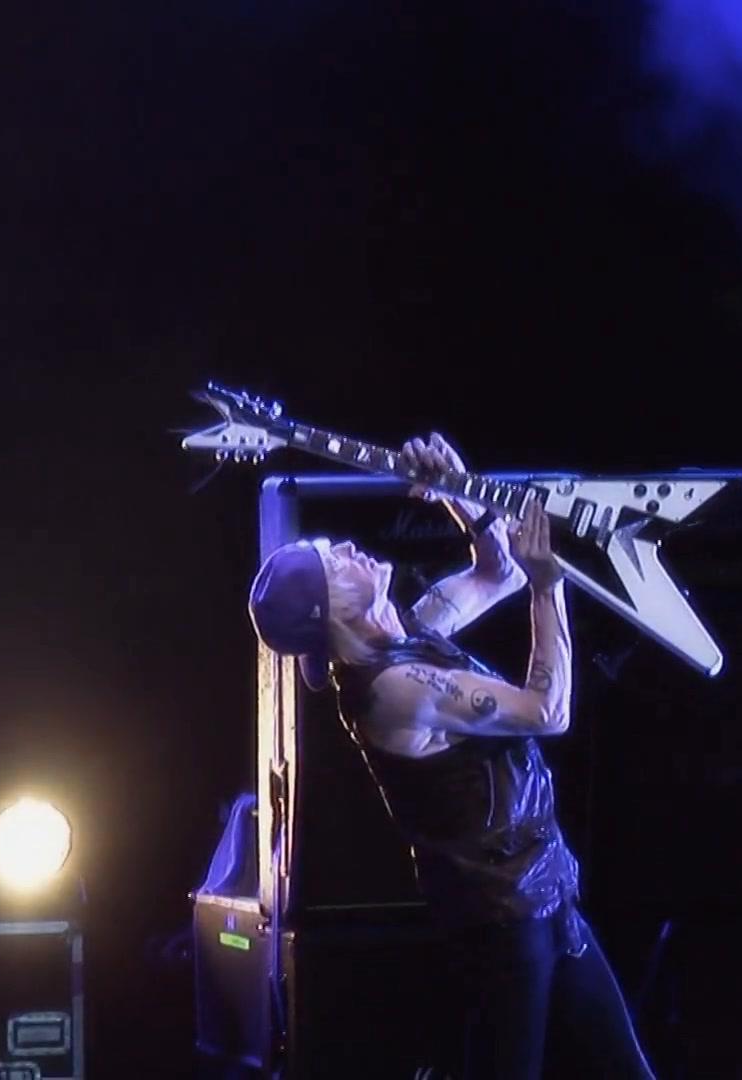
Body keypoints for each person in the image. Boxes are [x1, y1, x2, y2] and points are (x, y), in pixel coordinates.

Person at [246, 433, 656, 1080]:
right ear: (335, 608)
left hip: (546, 895)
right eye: (335, 560)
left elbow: (497, 573)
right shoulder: (394, 689)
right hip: (504, 925)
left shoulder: (409, 631)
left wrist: (457, 493)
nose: (351, 548)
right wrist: (549, 589)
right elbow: (547, 711)